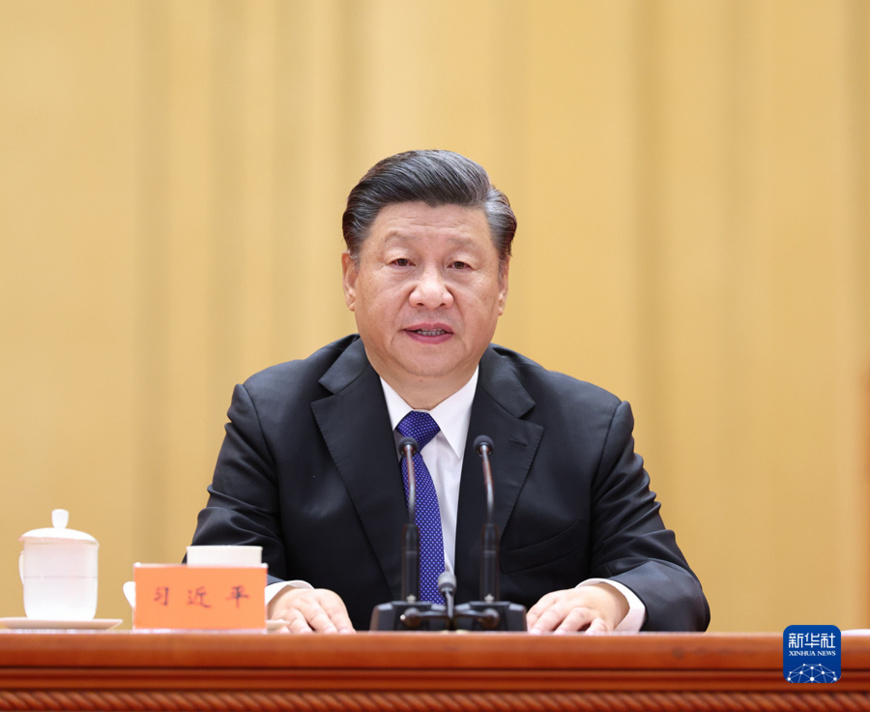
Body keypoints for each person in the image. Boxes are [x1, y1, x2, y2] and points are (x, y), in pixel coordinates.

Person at [190, 149, 710, 634]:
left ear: (502, 283)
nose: (432, 293)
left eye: (460, 266)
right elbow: (201, 582)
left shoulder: (585, 425)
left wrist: (608, 599)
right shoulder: (275, 415)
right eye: (402, 264)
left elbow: (671, 585)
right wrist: (278, 600)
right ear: (351, 278)